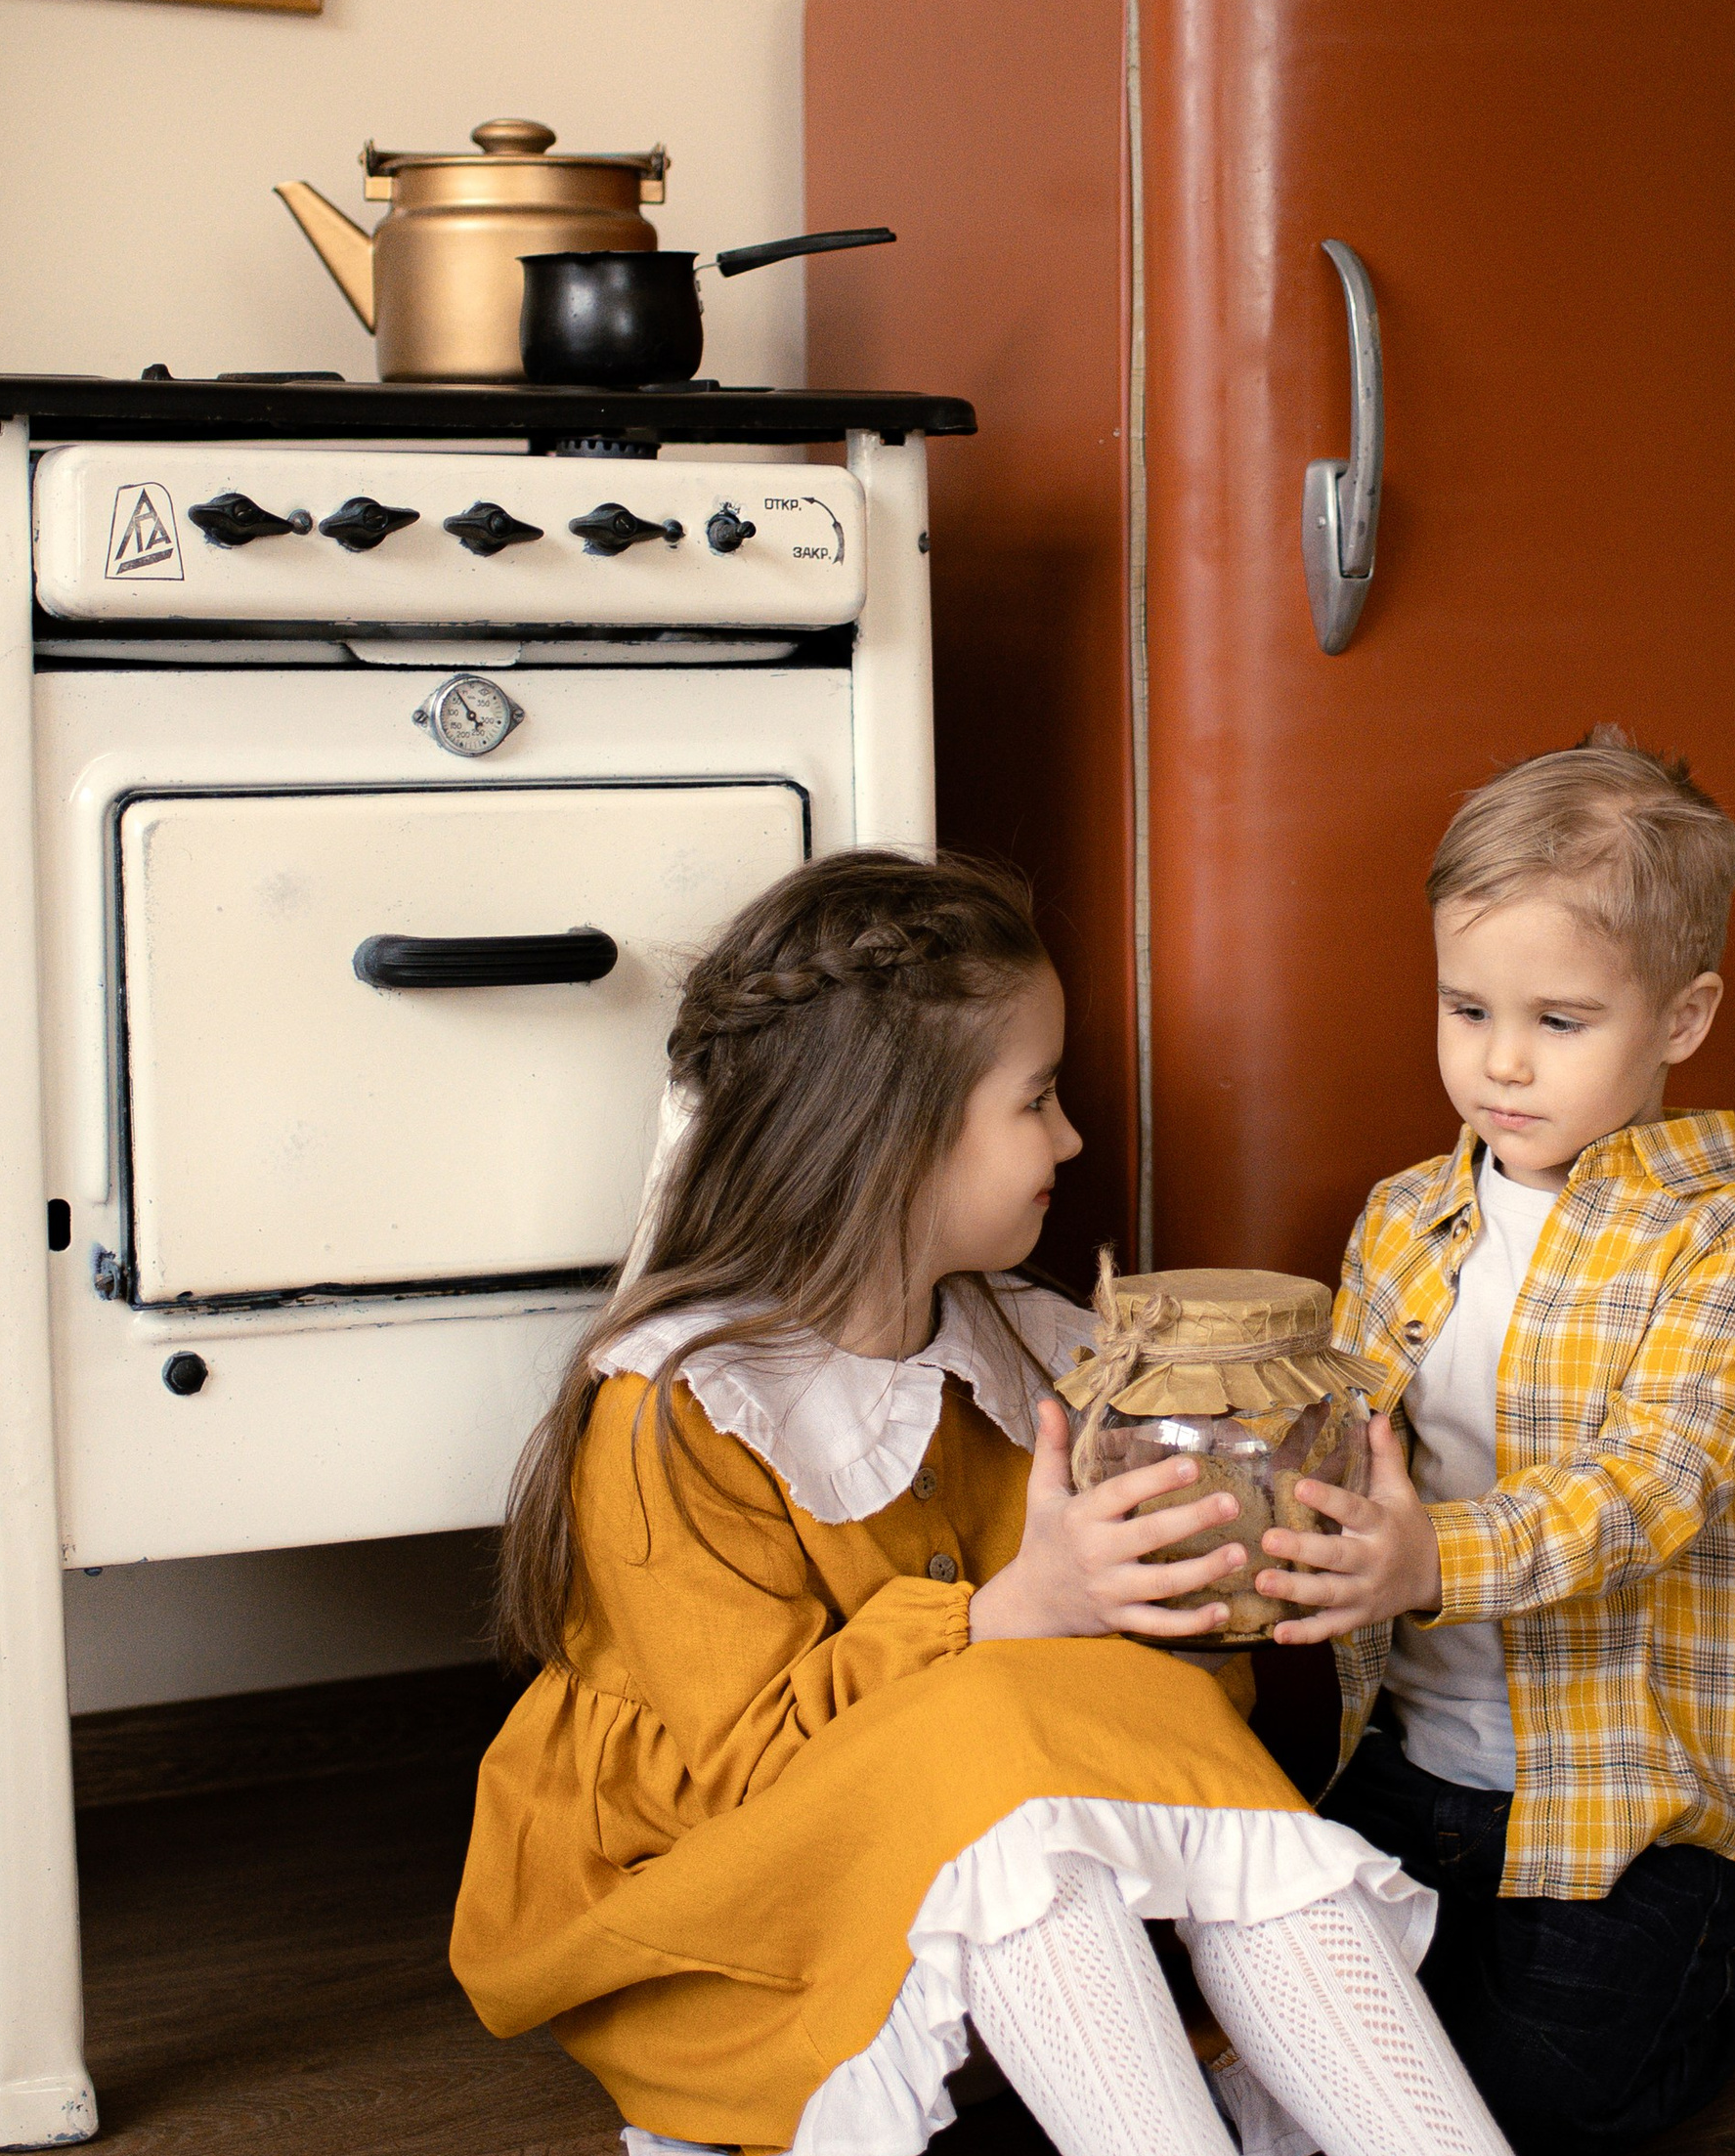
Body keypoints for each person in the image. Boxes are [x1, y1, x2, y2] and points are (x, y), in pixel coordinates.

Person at [450, 848, 1518, 2156]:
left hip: (1007, 1855)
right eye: (1040, 1097)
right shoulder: (683, 1407)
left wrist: (1204, 1574)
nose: (1069, 1137)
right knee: (999, 1739)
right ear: (891, 1137)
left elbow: (1144, 1727)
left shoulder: (1034, 1357)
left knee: (1051, 1772)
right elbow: (738, 1770)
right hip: (732, 1911)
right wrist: (1018, 1612)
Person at [1254, 731, 1735, 2152]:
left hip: (1623, 1812)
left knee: (1527, 2102)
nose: (1500, 1062)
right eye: (1465, 1007)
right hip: (1414, 1772)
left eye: (1561, 1022)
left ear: (1681, 1019)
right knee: (1294, 2018)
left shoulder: (1727, 1247)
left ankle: (1726, 1951)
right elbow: (1348, 1436)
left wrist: (1425, 1554)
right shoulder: (1402, 1217)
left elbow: (1647, 1491)